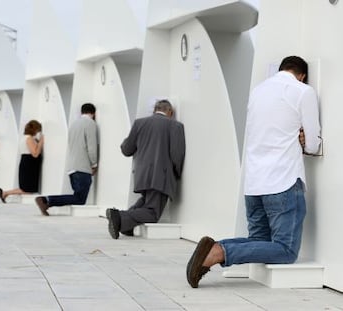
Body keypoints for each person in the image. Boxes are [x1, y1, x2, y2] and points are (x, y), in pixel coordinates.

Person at [186, 56, 322, 288]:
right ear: (302, 75)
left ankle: (213, 248)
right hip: (284, 181)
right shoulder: (303, 91)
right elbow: (312, 145)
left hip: (254, 182)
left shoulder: (258, 91)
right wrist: (303, 140)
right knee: (286, 250)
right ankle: (218, 251)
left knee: (258, 240)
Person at [105, 99, 185, 239]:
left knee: (145, 202)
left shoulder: (139, 123)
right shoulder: (175, 126)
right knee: (153, 213)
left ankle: (125, 225)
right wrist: (177, 173)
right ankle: (119, 216)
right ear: (170, 112)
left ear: (155, 109)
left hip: (142, 174)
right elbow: (177, 154)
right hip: (162, 175)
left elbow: (126, 149)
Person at [34, 103, 98, 216]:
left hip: (72, 167)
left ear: (81, 112)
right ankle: (46, 200)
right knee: (79, 199)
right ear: (93, 113)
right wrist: (94, 164)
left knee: (77, 197)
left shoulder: (73, 124)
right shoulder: (90, 123)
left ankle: (47, 201)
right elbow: (92, 147)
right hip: (82, 167)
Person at [0, 120, 44, 203]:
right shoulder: (29, 138)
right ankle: (5, 193)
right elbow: (35, 153)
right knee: (28, 189)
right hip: (29, 164)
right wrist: (41, 142)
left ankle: (4, 193)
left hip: (27, 163)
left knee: (26, 188)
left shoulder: (24, 138)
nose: (38, 132)